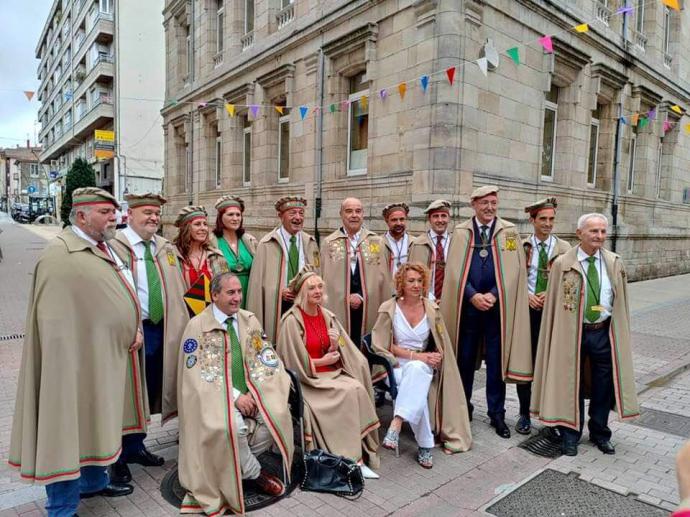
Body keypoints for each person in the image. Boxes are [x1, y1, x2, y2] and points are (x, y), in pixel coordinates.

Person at [9, 187, 142, 516]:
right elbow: (53, 321)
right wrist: (63, 366)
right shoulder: (61, 254)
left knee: (97, 420)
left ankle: (93, 483)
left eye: (114, 211)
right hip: (70, 365)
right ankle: (62, 507)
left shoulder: (104, 248)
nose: (113, 217)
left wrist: (131, 327)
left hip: (102, 357)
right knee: (64, 430)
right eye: (104, 212)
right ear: (81, 215)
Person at [178, 272, 294, 515]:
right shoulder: (197, 326)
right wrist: (234, 397)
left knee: (277, 415)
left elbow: (266, 357)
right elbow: (196, 375)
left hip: (253, 390)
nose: (237, 298)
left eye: (239, 292)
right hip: (217, 396)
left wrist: (261, 389)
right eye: (231, 293)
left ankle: (231, 464)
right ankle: (255, 473)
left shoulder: (249, 320)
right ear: (215, 294)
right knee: (231, 428)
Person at [530, 213, 639, 456]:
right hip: (572, 334)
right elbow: (554, 307)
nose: (599, 236)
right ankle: (571, 434)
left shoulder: (614, 262)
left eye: (602, 231)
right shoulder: (562, 264)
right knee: (571, 384)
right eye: (593, 231)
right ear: (580, 233)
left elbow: (620, 302)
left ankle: (600, 432)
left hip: (602, 331)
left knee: (603, 385)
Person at [109, 193, 190, 484]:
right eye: (147, 212)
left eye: (157, 213)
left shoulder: (164, 247)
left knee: (149, 388)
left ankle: (135, 446)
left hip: (161, 330)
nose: (154, 218)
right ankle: (115, 456)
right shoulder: (114, 246)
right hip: (130, 332)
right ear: (129, 214)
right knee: (125, 393)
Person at [440, 186, 532, 439]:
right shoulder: (461, 232)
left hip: (496, 309)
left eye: (493, 202)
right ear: (474, 204)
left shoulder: (508, 231)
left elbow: (513, 269)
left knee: (496, 362)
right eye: (484, 203)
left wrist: (493, 294)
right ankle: (463, 409)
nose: (490, 207)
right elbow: (455, 271)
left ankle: (497, 414)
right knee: (465, 360)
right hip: (468, 309)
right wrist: (472, 295)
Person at [277, 266, 380, 479]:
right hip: (309, 381)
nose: (317, 291)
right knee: (344, 395)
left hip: (331, 374)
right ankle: (346, 459)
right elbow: (293, 363)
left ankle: (357, 456)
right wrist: (323, 360)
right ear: (301, 293)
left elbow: (343, 350)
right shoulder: (291, 321)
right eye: (311, 287)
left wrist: (334, 346)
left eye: (319, 287)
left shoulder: (328, 316)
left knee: (357, 388)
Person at [371, 262, 472, 469]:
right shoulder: (389, 308)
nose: (416, 285)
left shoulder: (432, 309)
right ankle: (425, 445)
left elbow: (440, 342)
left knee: (417, 373)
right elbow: (383, 343)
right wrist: (415, 356)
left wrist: (434, 356)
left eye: (420, 281)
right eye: (411, 281)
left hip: (424, 364)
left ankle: (396, 423)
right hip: (395, 366)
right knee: (416, 382)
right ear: (401, 283)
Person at [515, 197, 570, 435]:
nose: (548, 224)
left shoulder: (565, 249)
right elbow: (513, 277)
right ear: (532, 220)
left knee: (550, 364)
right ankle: (524, 414)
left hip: (552, 313)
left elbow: (569, 281)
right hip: (527, 312)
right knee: (525, 363)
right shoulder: (520, 246)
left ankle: (551, 417)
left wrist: (550, 292)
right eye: (543, 219)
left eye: (551, 219)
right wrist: (527, 295)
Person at [321, 197, 392, 347]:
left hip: (369, 305)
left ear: (363, 214)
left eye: (358, 211)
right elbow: (325, 277)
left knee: (366, 344)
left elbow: (382, 277)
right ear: (341, 214)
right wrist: (345, 295)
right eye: (349, 211)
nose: (354, 215)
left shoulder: (376, 241)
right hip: (338, 305)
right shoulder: (329, 242)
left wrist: (361, 295)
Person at [247, 197, 319, 343]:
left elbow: (318, 274)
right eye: (292, 213)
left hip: (304, 304)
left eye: (301, 213)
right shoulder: (266, 244)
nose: (298, 218)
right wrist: (279, 291)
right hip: (278, 306)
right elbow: (257, 284)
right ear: (280, 216)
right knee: (280, 343)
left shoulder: (310, 242)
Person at [212, 195, 258, 309]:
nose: (235, 218)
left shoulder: (250, 241)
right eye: (230, 214)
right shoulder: (212, 242)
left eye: (238, 215)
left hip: (250, 295)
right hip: (226, 297)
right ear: (220, 217)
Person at [173, 205, 228, 288]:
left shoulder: (216, 256)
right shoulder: (174, 254)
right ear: (186, 228)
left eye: (205, 224)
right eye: (197, 224)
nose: (203, 228)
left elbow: (225, 286)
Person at [408, 200, 452, 303]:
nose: (440, 220)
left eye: (443, 216)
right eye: (436, 216)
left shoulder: (456, 242)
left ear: (449, 218)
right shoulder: (418, 244)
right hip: (425, 300)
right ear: (429, 219)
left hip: (450, 300)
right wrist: (430, 298)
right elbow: (412, 276)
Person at [382, 202, 411, 276]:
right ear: (386, 221)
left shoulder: (414, 242)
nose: (398, 223)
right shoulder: (376, 243)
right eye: (394, 220)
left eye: (402, 219)